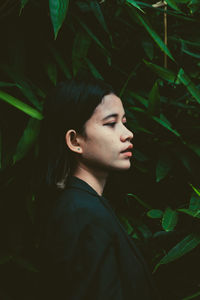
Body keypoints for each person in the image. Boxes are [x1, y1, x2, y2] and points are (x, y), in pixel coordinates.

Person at [37, 78, 159, 300]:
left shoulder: (86, 205)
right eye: (111, 123)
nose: (128, 133)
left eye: (124, 121)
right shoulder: (80, 212)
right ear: (75, 141)